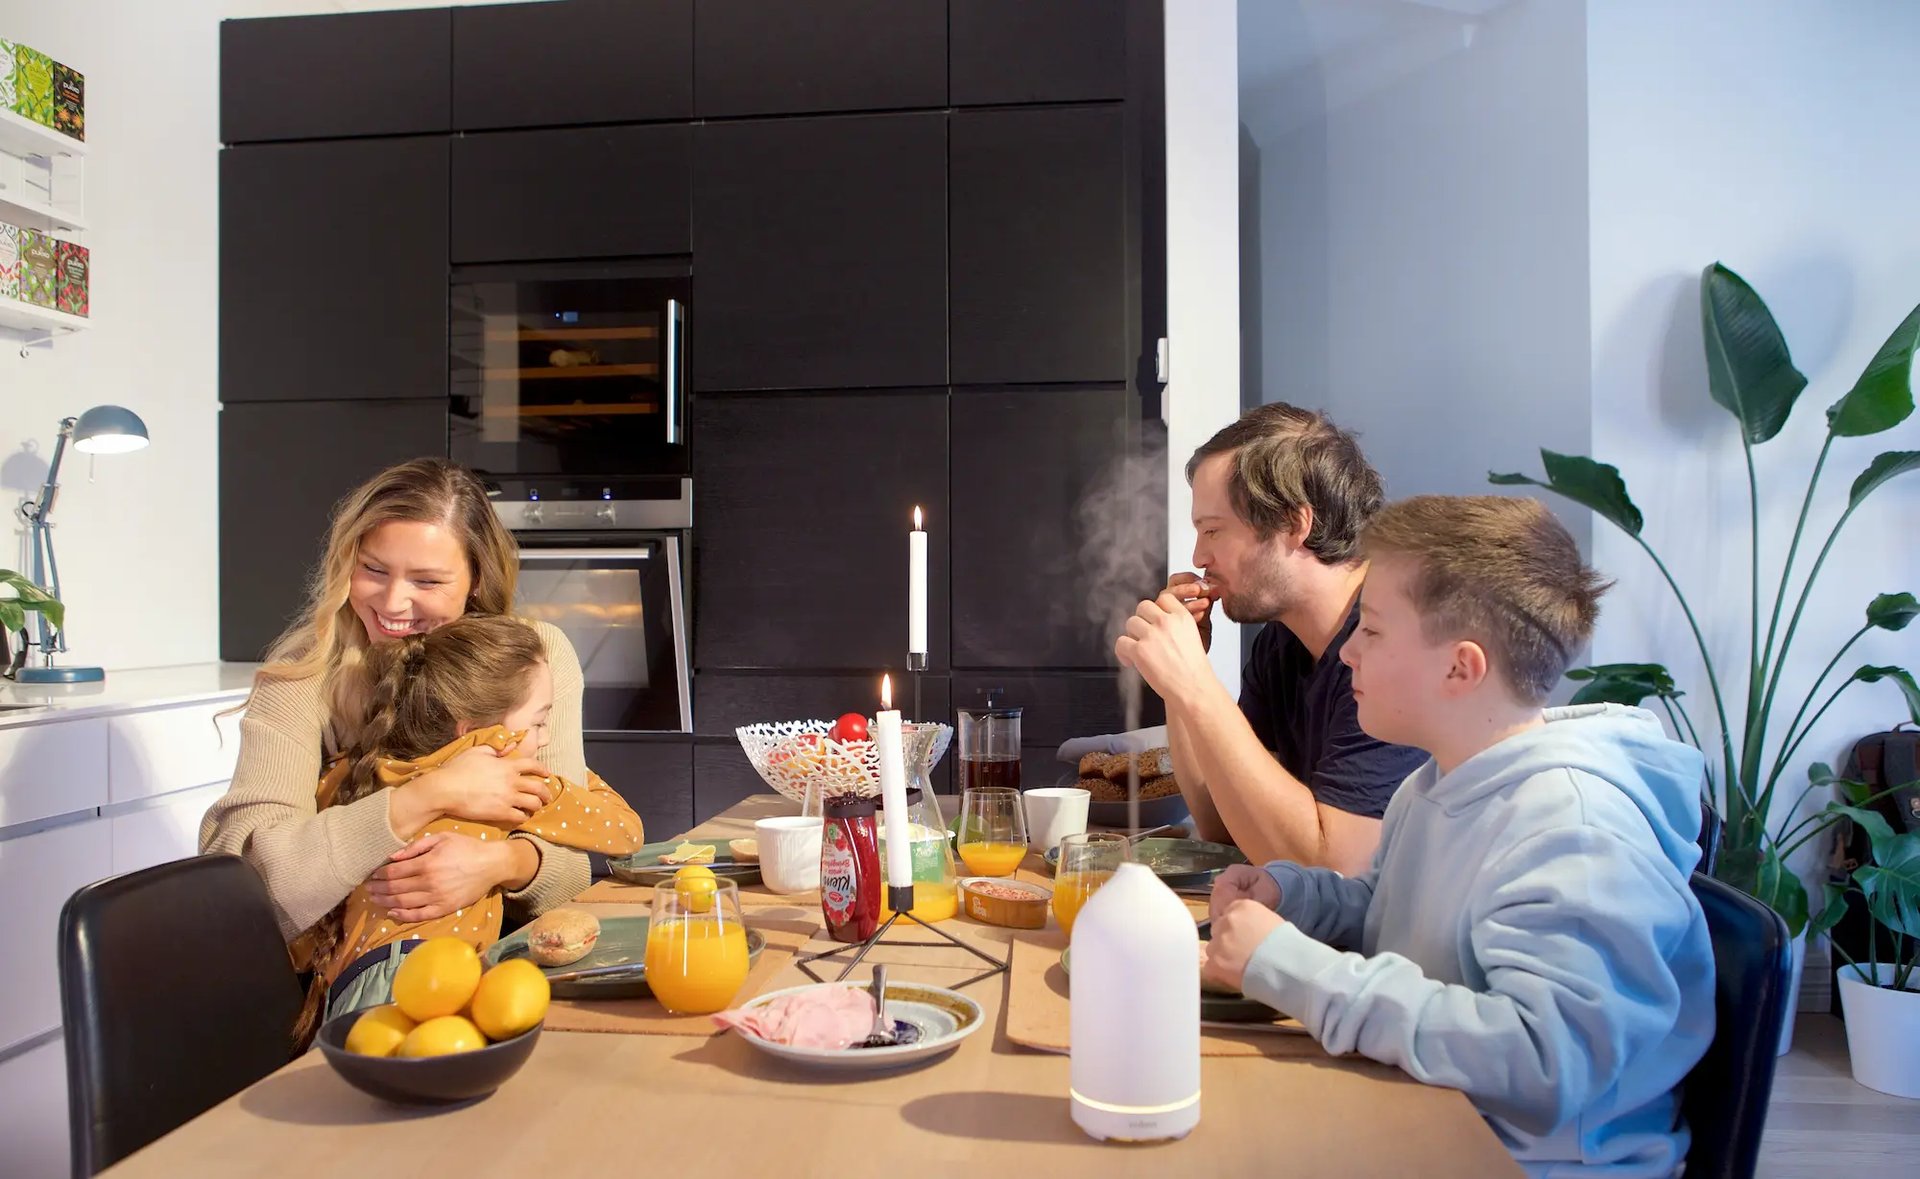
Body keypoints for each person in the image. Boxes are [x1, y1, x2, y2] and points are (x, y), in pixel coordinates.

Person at [1202, 495, 1713, 1177]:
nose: (1347, 650)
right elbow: (1393, 910)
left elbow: (1544, 1063)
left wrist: (1295, 968)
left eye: (1373, 631)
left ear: (1460, 667)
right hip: (1429, 1118)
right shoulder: (1437, 781)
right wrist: (1291, 896)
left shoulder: (1577, 833)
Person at [203, 459, 594, 946]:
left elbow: (573, 862)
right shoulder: (302, 674)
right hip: (342, 977)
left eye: (427, 582)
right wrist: (429, 796)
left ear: (476, 578)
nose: (392, 603)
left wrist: (502, 863)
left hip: (501, 964)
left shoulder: (537, 655)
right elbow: (244, 883)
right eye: (373, 569)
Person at [289, 614, 647, 1043]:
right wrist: (575, 780)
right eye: (537, 722)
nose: (547, 738)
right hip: (434, 984)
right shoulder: (508, 779)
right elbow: (625, 832)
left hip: (346, 989)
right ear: (481, 734)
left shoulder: (357, 770)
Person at [1115, 403, 1427, 871]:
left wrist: (1195, 684)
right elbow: (1223, 825)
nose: (1199, 556)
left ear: (1293, 525)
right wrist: (1175, 684)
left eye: (1214, 531)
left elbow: (1334, 869)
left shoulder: (1395, 645)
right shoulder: (1282, 645)